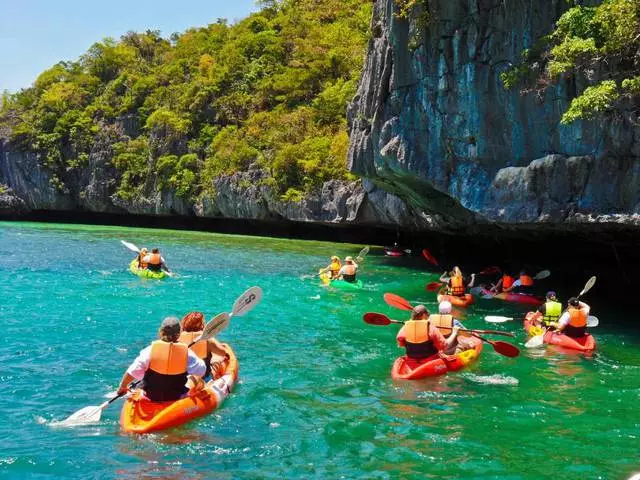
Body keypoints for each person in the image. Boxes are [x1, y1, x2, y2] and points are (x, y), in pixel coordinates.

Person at [116, 317, 206, 402]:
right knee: (193, 378)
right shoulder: (187, 353)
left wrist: (123, 387)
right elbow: (202, 370)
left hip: (150, 396)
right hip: (176, 396)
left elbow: (132, 371)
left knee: (142, 383)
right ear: (179, 334)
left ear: (161, 332)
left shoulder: (149, 350)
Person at [396, 305, 460, 360]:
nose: (428, 317)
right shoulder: (431, 328)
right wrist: (454, 332)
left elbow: (400, 343)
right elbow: (444, 345)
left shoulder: (405, 327)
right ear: (423, 315)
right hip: (430, 357)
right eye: (427, 315)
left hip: (411, 356)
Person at [179, 312, 229, 379]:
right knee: (217, 359)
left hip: (182, 375)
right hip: (203, 377)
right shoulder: (207, 339)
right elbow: (222, 352)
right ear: (202, 325)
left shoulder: (178, 338)